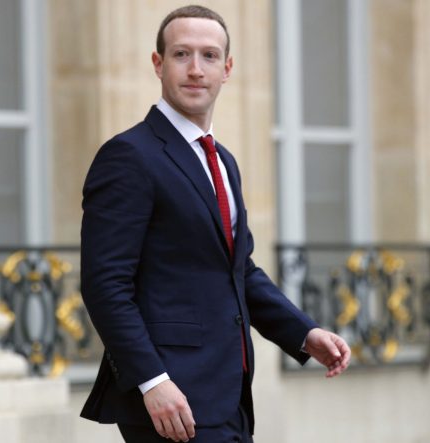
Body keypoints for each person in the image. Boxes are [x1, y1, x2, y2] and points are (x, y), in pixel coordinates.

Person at [79, 5, 350, 442]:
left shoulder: (222, 161)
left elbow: (239, 270)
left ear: (227, 69)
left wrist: (304, 333)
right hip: (170, 403)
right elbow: (104, 284)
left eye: (208, 56)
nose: (195, 69)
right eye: (181, 54)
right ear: (158, 64)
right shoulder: (128, 156)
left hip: (228, 394)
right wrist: (152, 381)